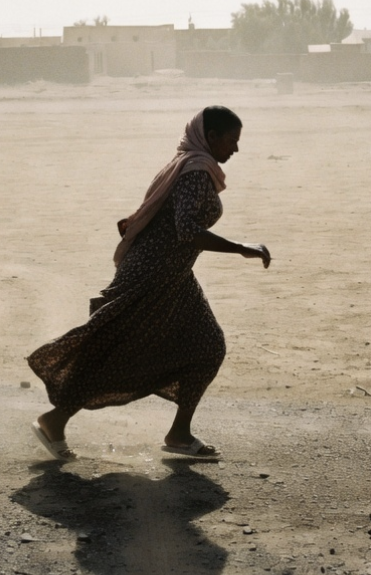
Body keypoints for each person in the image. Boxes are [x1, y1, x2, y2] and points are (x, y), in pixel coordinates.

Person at [27, 106, 271, 461]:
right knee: (115, 351)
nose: (235, 148)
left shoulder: (191, 165)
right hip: (150, 276)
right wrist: (240, 248)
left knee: (208, 346)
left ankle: (179, 433)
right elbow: (187, 230)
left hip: (175, 277)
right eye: (232, 140)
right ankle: (54, 420)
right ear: (211, 137)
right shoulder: (194, 171)